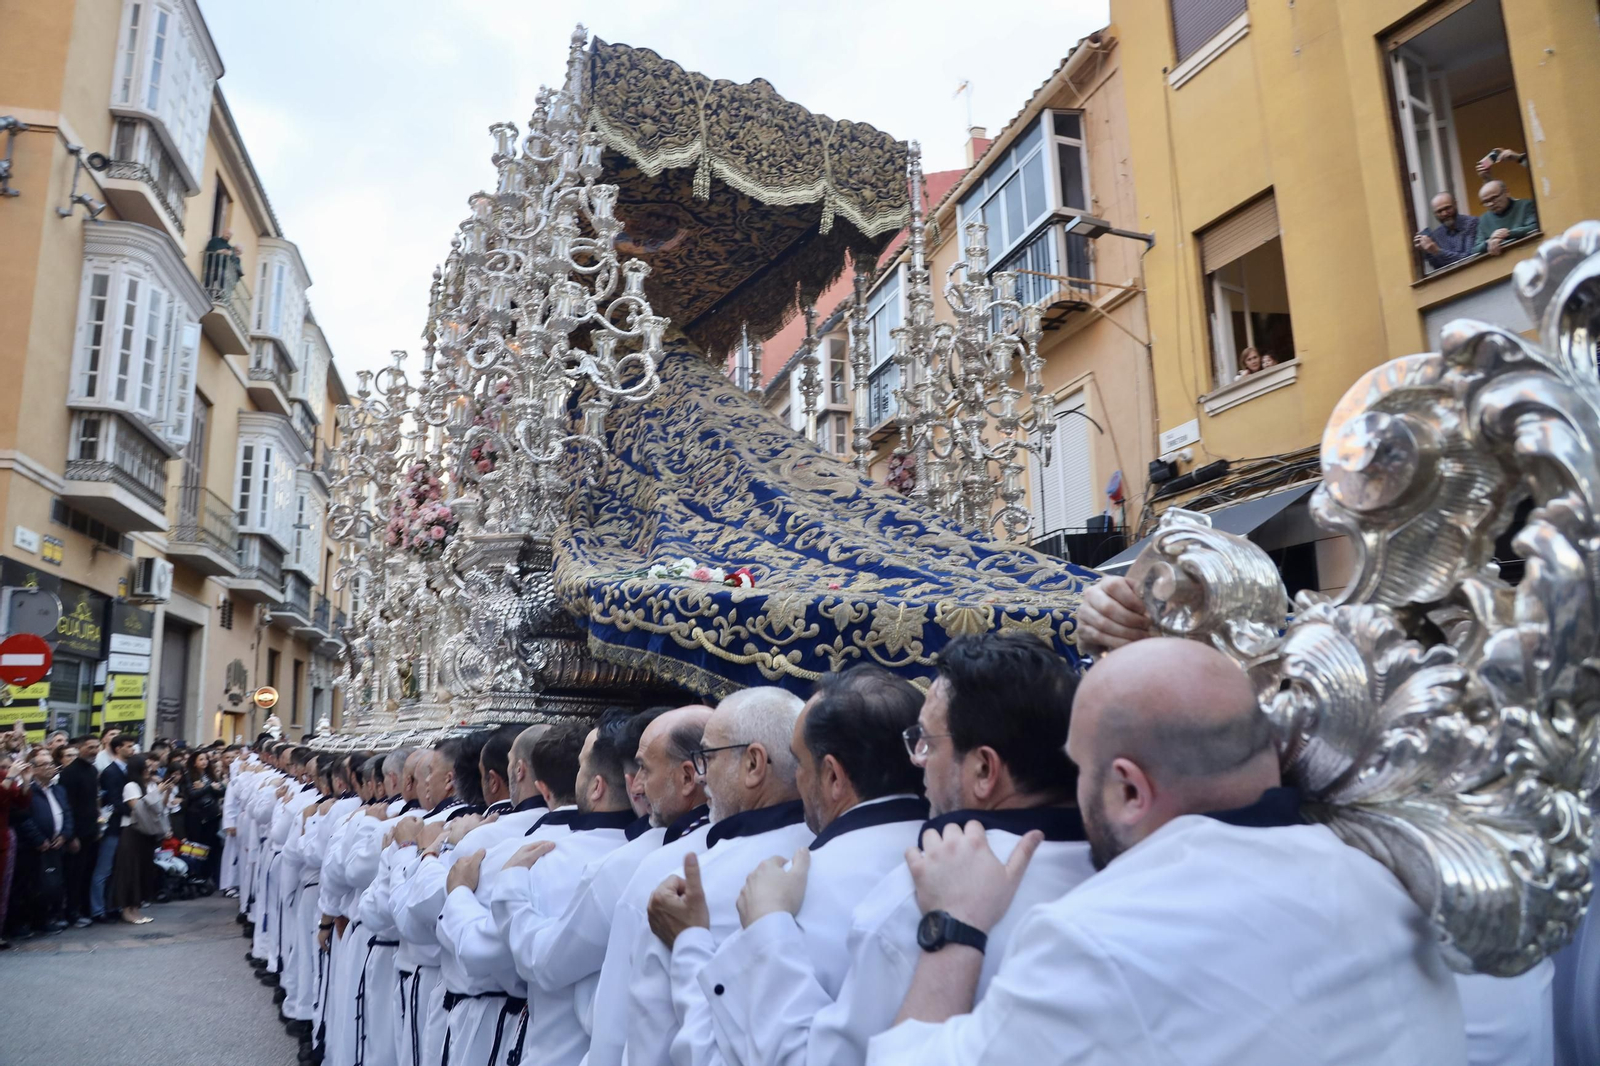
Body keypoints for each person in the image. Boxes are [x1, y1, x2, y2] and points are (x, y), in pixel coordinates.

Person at [867, 637, 1464, 1065]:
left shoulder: (1094, 938)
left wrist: (956, 928)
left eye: (1080, 769)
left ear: (1130, 790)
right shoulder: (1385, 884)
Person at [697, 633, 1090, 1066]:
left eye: (927, 742)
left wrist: (766, 926)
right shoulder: (1119, 868)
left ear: (983, 769)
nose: (916, 759)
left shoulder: (918, 898)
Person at [676, 666, 929, 1066]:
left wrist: (690, 941)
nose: (794, 778)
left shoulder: (792, 892)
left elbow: (715, 1056)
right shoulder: (978, 865)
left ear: (833, 776)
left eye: (798, 761)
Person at [630, 687, 812, 1066]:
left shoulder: (689, 886)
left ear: (753, 764)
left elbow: (650, 1037)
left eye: (707, 757)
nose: (700, 776)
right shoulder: (835, 857)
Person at [494, 709, 661, 1066]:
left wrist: (509, 885)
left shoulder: (564, 863)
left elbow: (539, 962)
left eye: (582, 766)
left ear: (598, 786)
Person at [570, 706, 715, 1066]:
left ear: (688, 777)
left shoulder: (654, 869)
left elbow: (614, 1026)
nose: (636, 786)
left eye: (645, 770)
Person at [110, 754, 176, 925]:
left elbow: (158, 808)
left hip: (147, 833)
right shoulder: (131, 786)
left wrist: (166, 792)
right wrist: (157, 792)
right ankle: (126, 910)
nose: (149, 769)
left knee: (142, 871)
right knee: (129, 871)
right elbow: (138, 809)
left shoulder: (149, 786)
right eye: (145, 767)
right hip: (132, 831)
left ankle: (136, 908)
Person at [15, 747, 74, 935]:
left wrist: (64, 834)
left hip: (56, 844)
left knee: (51, 885)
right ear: (33, 768)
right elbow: (23, 818)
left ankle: (45, 919)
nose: (50, 768)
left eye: (51, 764)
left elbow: (67, 813)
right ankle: (23, 922)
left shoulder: (59, 790)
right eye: (44, 765)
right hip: (34, 847)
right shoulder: (27, 790)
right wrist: (38, 839)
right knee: (29, 885)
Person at [92, 733, 137, 921]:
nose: (132, 750)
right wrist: (136, 811)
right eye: (129, 746)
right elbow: (114, 801)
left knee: (116, 869)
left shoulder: (128, 770)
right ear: (118, 748)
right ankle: (97, 909)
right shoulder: (111, 772)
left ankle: (111, 905)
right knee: (104, 869)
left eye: (133, 746)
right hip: (112, 825)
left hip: (123, 826)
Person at [58, 735, 101, 926]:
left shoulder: (92, 770)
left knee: (85, 873)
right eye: (90, 747)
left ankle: (81, 909)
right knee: (72, 875)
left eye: (96, 747)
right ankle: (70, 913)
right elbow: (68, 806)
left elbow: (93, 801)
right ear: (80, 748)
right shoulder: (69, 773)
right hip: (76, 833)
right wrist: (72, 836)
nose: (94, 751)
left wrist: (97, 827)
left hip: (91, 830)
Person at [185, 749, 226, 886]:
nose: (204, 762)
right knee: (197, 845)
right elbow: (192, 795)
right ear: (194, 762)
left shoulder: (210, 775)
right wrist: (209, 787)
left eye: (205, 759)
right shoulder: (189, 776)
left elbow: (221, 790)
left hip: (212, 815)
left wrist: (207, 787)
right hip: (196, 816)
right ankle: (196, 873)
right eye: (201, 759)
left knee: (211, 845)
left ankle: (208, 874)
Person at [1473, 180, 1539, 257]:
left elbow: (1535, 227)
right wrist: (1489, 242)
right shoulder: (1484, 219)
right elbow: (1476, 249)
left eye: (1494, 198)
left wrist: (1507, 234)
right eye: (1486, 202)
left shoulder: (1525, 205)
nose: (1491, 204)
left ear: (1507, 192)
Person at [1415, 191, 1480, 270]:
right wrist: (1426, 251)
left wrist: (1437, 251)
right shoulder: (1437, 234)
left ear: (1455, 204)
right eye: (1439, 211)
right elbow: (1438, 267)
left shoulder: (1472, 223)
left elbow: (1470, 258)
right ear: (1434, 214)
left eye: (1447, 208)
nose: (1444, 213)